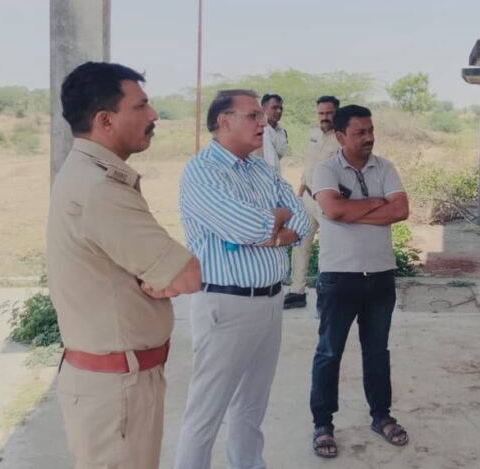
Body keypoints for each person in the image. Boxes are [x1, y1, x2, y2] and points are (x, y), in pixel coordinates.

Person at [47, 61, 202, 469]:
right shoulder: (99, 189)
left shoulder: (88, 175)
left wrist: (156, 278)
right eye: (141, 106)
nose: (154, 115)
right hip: (117, 389)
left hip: (117, 382)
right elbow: (187, 275)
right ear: (105, 120)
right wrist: (163, 278)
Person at [173, 89, 311, 469]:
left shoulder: (262, 169)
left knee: (251, 408)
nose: (263, 122)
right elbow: (247, 226)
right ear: (224, 121)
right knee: (205, 415)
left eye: (262, 116)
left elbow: (300, 220)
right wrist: (272, 223)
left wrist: (271, 228)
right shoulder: (202, 171)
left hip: (270, 302)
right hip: (226, 305)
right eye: (253, 115)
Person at [308, 104, 410, 459]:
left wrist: (354, 211)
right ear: (340, 136)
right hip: (339, 277)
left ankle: (382, 417)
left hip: (380, 275)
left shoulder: (385, 167)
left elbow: (400, 210)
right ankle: (323, 424)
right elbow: (333, 210)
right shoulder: (326, 169)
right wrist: (376, 204)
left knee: (377, 352)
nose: (369, 138)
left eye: (371, 131)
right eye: (360, 133)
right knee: (329, 352)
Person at [284, 95, 340, 310]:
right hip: (307, 197)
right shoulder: (313, 134)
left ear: (337, 113)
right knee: (300, 244)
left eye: (329, 113)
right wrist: (299, 197)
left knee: (328, 248)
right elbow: (308, 166)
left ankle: (325, 293)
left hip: (328, 201)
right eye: (321, 113)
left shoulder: (343, 138)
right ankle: (297, 291)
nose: (324, 117)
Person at [259, 93, 288, 174]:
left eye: (280, 108)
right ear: (263, 109)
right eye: (274, 108)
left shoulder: (282, 132)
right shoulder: (257, 130)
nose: (279, 111)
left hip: (275, 176)